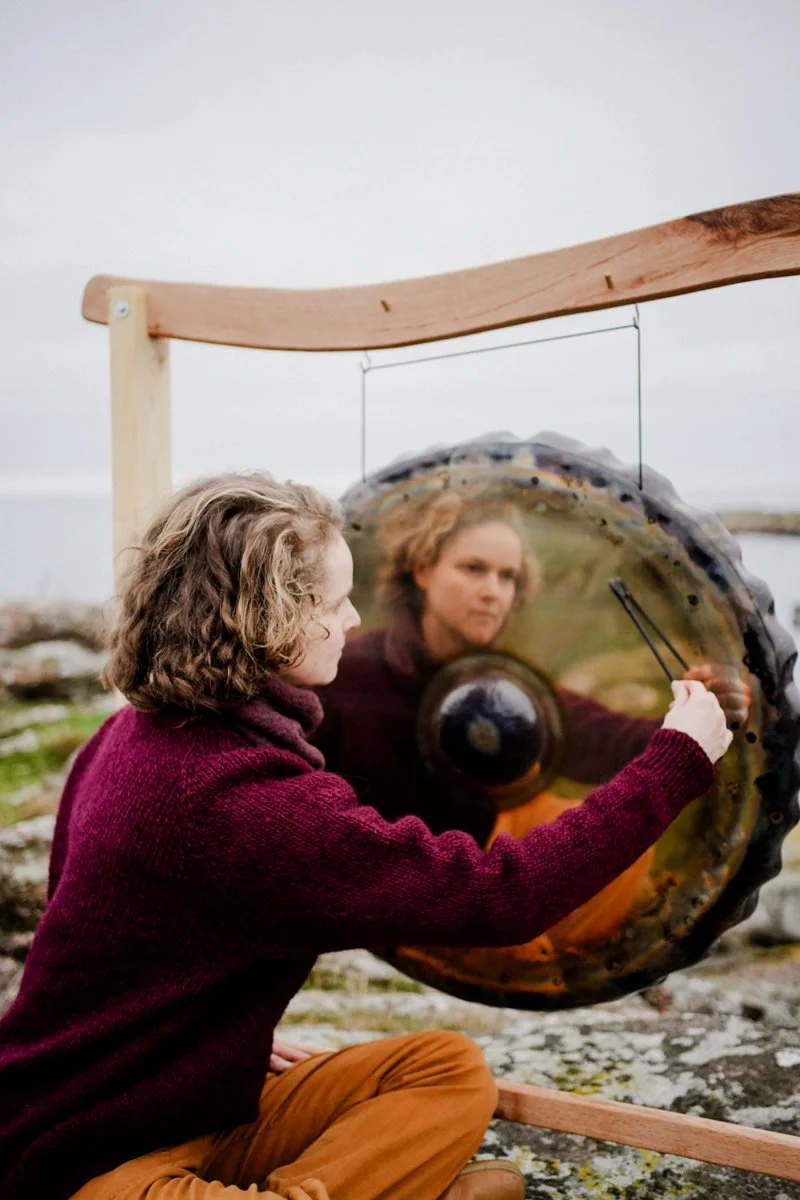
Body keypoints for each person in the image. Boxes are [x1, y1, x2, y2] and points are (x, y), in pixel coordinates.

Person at [0, 473, 731, 1200]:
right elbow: (505, 898)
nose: (352, 620)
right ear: (270, 615)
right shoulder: (246, 800)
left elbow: (92, 915)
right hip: (80, 1152)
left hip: (198, 1104)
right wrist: (677, 761)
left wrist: (215, 1047)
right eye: (333, 601)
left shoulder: (132, 729)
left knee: (445, 1070)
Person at [316, 489, 750, 948]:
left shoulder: (506, 687)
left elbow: (609, 741)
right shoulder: (345, 675)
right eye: (474, 568)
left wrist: (701, 714)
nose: (493, 592)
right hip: (390, 898)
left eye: (508, 577)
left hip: (483, 893)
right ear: (422, 569)